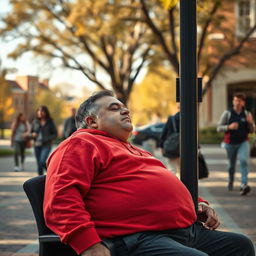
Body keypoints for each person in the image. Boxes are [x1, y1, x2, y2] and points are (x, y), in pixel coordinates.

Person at [44, 90, 254, 256]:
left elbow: (166, 185)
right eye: (114, 108)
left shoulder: (134, 148)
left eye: (125, 107)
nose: (125, 111)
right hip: (139, 237)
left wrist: (198, 204)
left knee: (241, 245)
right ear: (92, 121)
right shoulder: (81, 143)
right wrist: (88, 245)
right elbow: (59, 199)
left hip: (186, 231)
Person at [217, 92, 255, 195]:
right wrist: (229, 127)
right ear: (233, 101)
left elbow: (252, 131)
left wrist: (251, 122)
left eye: (239, 101)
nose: (237, 103)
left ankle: (244, 184)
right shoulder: (227, 113)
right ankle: (230, 181)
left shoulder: (247, 114)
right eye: (235, 100)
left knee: (244, 161)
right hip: (230, 143)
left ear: (243, 103)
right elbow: (219, 127)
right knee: (231, 166)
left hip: (243, 142)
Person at [30, 106, 57, 175]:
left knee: (42, 161)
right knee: (39, 164)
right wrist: (32, 134)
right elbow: (30, 132)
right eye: (39, 111)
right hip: (37, 145)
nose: (40, 112)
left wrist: (47, 138)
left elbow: (55, 134)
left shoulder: (50, 122)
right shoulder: (35, 122)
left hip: (46, 145)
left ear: (46, 112)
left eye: (42, 111)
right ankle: (40, 180)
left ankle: (51, 173)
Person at [160, 104, 180, 175]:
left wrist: (162, 146)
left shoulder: (171, 119)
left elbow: (164, 133)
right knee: (183, 172)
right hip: (184, 150)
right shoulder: (190, 119)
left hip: (172, 149)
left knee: (172, 170)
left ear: (178, 107)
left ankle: (173, 185)